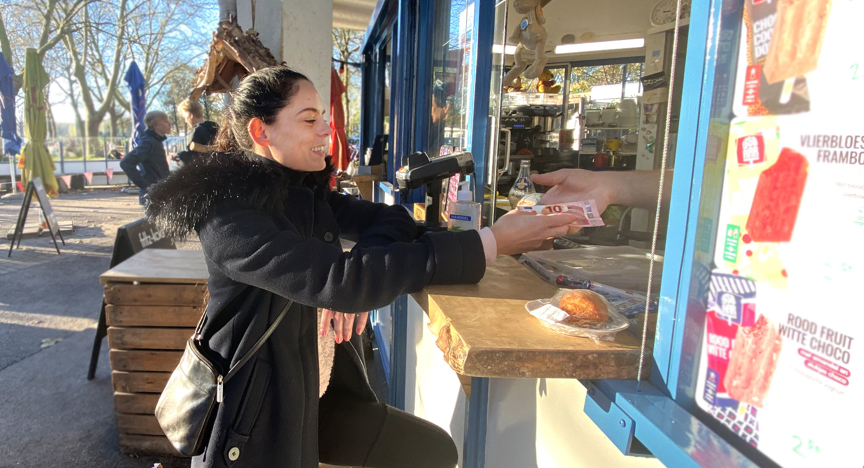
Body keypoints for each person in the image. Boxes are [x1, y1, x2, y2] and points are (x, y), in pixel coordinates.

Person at [145, 66, 577, 468]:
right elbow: (341, 282)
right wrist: (492, 241)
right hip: (259, 420)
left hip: (322, 398)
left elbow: (390, 222)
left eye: (324, 118)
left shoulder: (302, 192)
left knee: (433, 452)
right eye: (309, 119)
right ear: (261, 131)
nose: (326, 129)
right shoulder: (229, 217)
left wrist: (356, 274)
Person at [120, 110, 171, 205]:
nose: (169, 123)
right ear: (155, 125)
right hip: (152, 196)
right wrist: (145, 185)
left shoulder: (156, 141)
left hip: (160, 193)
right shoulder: (149, 143)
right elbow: (126, 162)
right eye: (165, 121)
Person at [177, 98, 219, 165]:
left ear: (190, 115)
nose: (185, 121)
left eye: (185, 117)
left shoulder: (196, 133)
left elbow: (192, 159)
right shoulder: (217, 128)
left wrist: (179, 155)